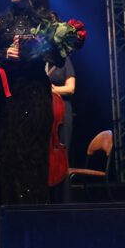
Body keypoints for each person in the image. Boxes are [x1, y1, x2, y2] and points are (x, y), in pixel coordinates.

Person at [0, 0, 64, 218]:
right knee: (7, 159)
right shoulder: (0, 21)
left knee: (32, 158)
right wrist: (5, 54)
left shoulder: (49, 20)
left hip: (35, 95)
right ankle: (6, 226)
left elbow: (58, 59)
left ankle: (34, 224)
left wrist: (31, 52)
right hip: (7, 98)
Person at [47, 56, 75, 202]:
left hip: (62, 112)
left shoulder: (64, 61)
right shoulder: (39, 62)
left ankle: (63, 201)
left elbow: (71, 88)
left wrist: (53, 89)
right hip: (45, 112)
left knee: (61, 156)